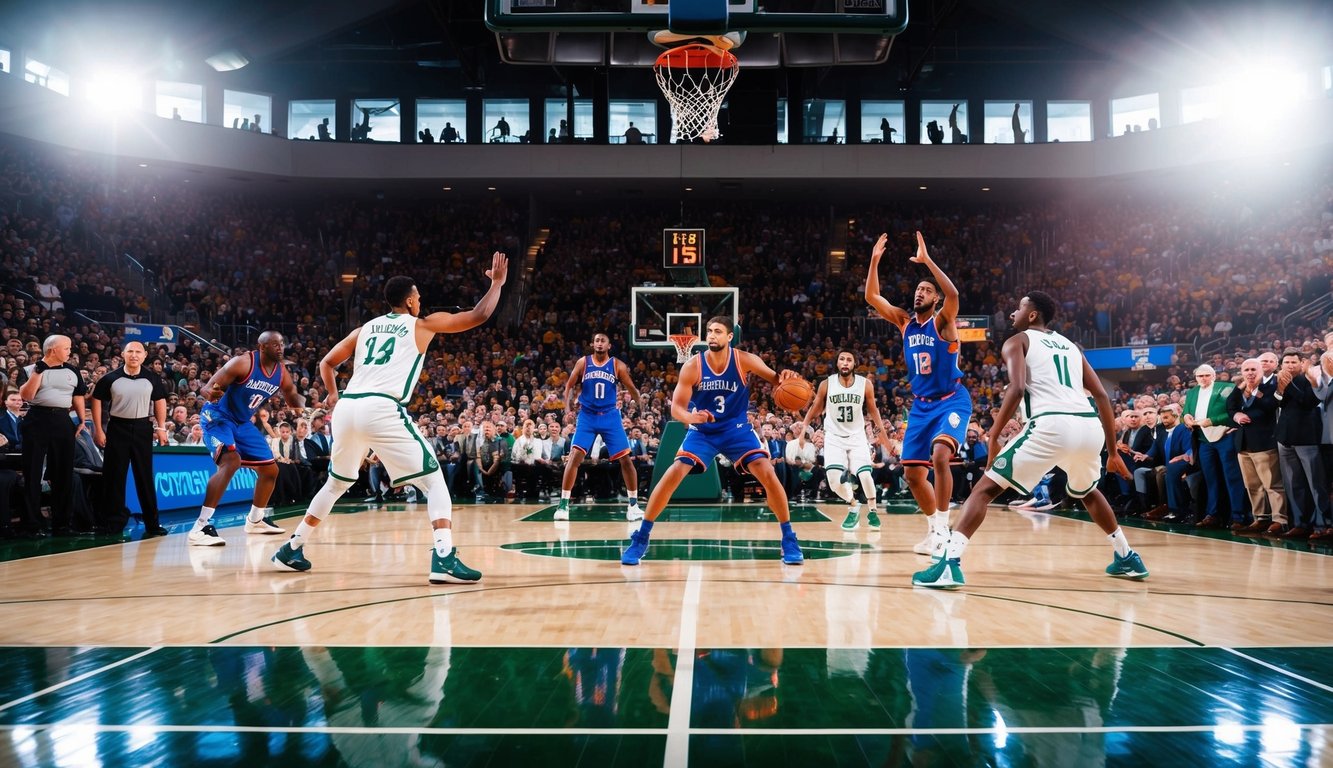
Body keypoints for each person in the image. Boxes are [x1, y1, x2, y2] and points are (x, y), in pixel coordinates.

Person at [271, 253, 508, 583]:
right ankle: (443, 558)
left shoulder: (364, 329)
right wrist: (496, 284)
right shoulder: (421, 324)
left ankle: (292, 547)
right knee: (434, 480)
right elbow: (479, 314)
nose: (421, 302)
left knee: (336, 483)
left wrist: (333, 393)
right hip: (380, 407)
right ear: (410, 300)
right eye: (419, 297)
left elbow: (326, 363)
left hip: (348, 408)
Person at [912, 291, 1147, 588]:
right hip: (1089, 428)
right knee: (1087, 491)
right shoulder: (1072, 346)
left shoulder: (1018, 341)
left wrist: (994, 435)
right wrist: (1112, 451)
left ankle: (949, 563)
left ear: (1032, 315)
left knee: (983, 490)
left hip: (1051, 425)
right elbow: (1101, 395)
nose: (1012, 313)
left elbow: (1017, 388)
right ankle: (1126, 556)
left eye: (1019, 308)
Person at [621, 318, 804, 566]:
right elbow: (676, 407)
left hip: (736, 429)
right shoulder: (693, 366)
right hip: (703, 431)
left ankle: (788, 537)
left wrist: (788, 376)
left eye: (718, 331)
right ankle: (641, 537)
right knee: (674, 472)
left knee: (768, 473)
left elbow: (778, 381)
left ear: (730, 337)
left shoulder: (745, 360)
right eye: (709, 331)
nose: (712, 335)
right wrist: (690, 417)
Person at [864, 231, 972, 557]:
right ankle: (932, 531)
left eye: (926, 290)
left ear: (935, 299)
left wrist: (927, 262)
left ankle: (943, 527)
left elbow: (953, 294)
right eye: (917, 289)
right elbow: (873, 297)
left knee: (940, 456)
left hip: (951, 399)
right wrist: (873, 261)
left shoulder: (943, 323)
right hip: (922, 407)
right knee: (912, 475)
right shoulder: (904, 322)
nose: (919, 293)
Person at [191, 332, 306, 546]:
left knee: (270, 470)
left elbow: (290, 393)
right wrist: (213, 393)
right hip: (218, 416)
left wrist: (303, 410)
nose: (280, 348)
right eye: (274, 344)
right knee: (231, 460)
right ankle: (199, 527)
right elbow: (208, 388)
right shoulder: (242, 364)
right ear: (262, 347)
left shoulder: (281, 373)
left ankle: (255, 520)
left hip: (242, 422)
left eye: (282, 343)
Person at [795, 350, 891, 530]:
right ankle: (854, 505)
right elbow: (815, 408)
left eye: (849, 360)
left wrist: (884, 437)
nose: (845, 362)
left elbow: (874, 412)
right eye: (842, 359)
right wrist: (803, 430)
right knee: (833, 481)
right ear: (837, 363)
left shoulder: (865, 384)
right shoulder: (826, 384)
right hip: (834, 437)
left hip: (856, 436)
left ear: (854, 364)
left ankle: (872, 511)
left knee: (864, 474)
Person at [557, 332, 644, 522]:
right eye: (596, 340)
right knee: (575, 456)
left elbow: (630, 387)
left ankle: (633, 506)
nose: (599, 343)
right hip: (587, 416)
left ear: (609, 345)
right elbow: (569, 386)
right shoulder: (583, 362)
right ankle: (563, 505)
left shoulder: (617, 365)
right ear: (592, 344)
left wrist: (639, 405)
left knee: (626, 460)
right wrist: (566, 407)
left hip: (610, 417)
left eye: (603, 340)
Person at [90, 341, 171, 537]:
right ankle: (113, 523)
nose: (134, 355)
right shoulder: (110, 378)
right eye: (130, 351)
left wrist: (161, 427)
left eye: (138, 352)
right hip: (117, 428)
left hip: (143, 428)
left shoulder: (152, 378)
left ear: (144, 356)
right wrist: (99, 429)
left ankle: (152, 523)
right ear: (123, 354)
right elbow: (96, 400)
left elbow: (160, 401)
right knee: (114, 477)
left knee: (145, 477)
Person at [18, 334, 88, 536]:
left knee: (64, 473)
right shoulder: (31, 369)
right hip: (37, 418)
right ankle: (30, 525)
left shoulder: (73, 370)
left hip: (62, 420)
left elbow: (78, 395)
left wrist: (82, 420)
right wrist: (39, 370)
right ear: (53, 350)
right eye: (66, 348)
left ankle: (62, 524)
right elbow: (27, 396)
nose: (69, 351)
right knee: (32, 472)